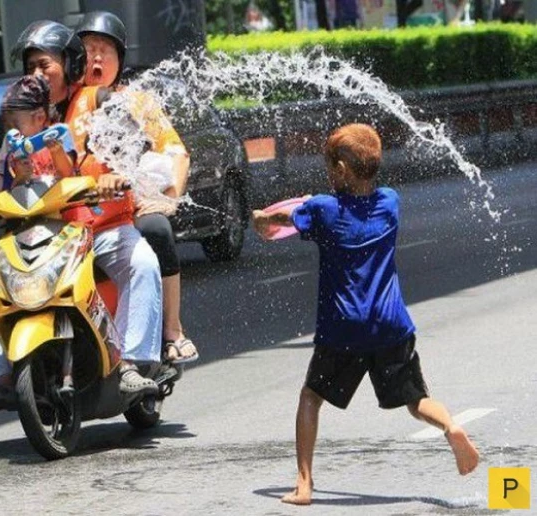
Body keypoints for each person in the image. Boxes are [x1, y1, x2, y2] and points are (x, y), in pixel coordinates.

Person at [252, 124, 480, 506]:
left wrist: (262, 218)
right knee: (417, 400)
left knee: (311, 397)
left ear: (341, 170)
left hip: (344, 329)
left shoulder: (324, 209)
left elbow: (281, 221)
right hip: (391, 326)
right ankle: (451, 426)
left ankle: (304, 484)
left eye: (329, 167)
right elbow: (326, 209)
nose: (327, 173)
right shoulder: (390, 202)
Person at [0, 21, 163, 412]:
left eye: (44, 65)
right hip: (48, 233)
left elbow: (137, 144)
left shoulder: (100, 100)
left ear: (70, 66)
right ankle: (3, 377)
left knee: (142, 262)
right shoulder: (27, 116)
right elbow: (0, 170)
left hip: (104, 228)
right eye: (30, 66)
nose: (36, 74)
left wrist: (118, 173)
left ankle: (134, 365)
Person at [75, 11, 198, 364]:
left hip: (124, 212)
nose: (96, 58)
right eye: (88, 50)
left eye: (105, 50)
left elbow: (175, 153)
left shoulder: (136, 102)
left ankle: (172, 330)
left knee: (157, 229)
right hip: (73, 217)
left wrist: (166, 199)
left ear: (119, 60)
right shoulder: (64, 104)